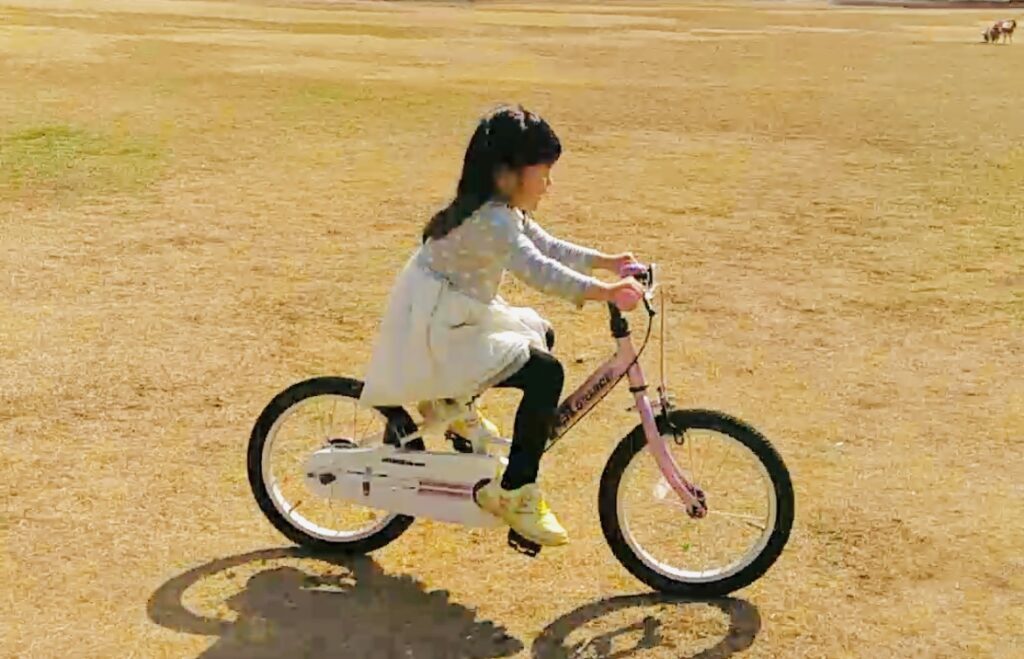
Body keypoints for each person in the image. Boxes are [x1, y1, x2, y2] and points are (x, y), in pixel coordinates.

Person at [359, 104, 643, 547]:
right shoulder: (491, 220)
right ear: (508, 173)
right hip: (439, 327)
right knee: (545, 373)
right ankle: (515, 492)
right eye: (543, 172)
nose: (549, 184)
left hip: (457, 313)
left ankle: (453, 404)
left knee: (539, 335)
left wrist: (608, 262)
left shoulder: (501, 210)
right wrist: (606, 292)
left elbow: (548, 246)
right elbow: (540, 271)